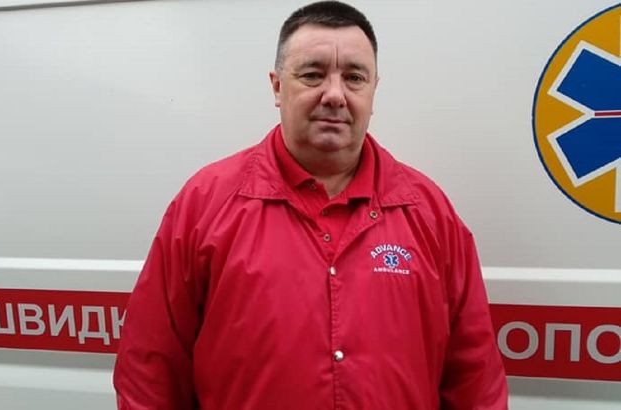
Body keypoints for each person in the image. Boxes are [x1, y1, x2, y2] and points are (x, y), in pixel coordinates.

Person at [113, 1, 509, 409]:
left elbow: (475, 380)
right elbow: (149, 372)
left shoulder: (429, 213)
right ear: (277, 87)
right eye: (313, 75)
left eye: (354, 77)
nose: (334, 95)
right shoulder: (205, 205)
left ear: (373, 90)